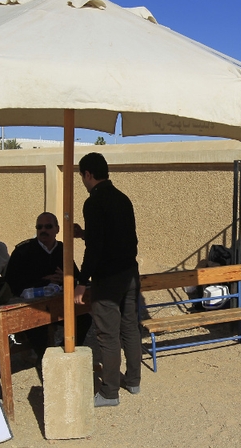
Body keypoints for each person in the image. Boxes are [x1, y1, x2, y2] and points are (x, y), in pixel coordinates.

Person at [73, 152, 141, 408]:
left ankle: (109, 392)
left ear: (88, 174)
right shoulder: (122, 198)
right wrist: (84, 234)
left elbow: (96, 247)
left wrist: (82, 281)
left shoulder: (93, 202)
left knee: (108, 335)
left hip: (108, 279)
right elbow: (119, 237)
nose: (83, 180)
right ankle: (133, 381)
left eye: (82, 176)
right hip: (129, 274)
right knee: (130, 328)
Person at [6, 212, 93, 358]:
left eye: (48, 226)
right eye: (39, 227)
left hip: (58, 304)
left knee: (84, 320)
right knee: (37, 326)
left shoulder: (62, 250)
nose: (43, 230)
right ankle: (44, 360)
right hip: (33, 306)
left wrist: (66, 279)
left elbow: (77, 278)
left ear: (57, 229)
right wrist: (44, 281)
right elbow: (13, 282)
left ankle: (62, 355)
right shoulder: (24, 251)